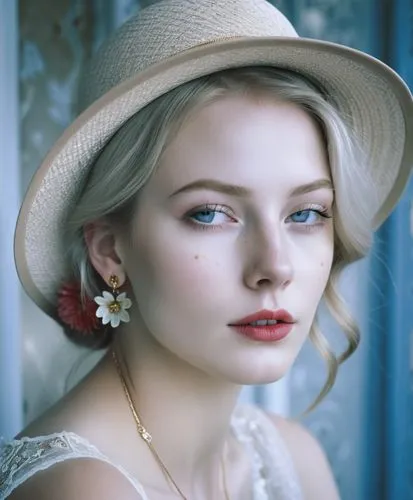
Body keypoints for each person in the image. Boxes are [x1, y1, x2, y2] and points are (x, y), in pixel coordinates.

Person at [1, 0, 412, 498]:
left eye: (305, 214)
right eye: (211, 214)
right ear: (110, 250)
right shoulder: (80, 489)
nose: (275, 267)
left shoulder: (294, 460)